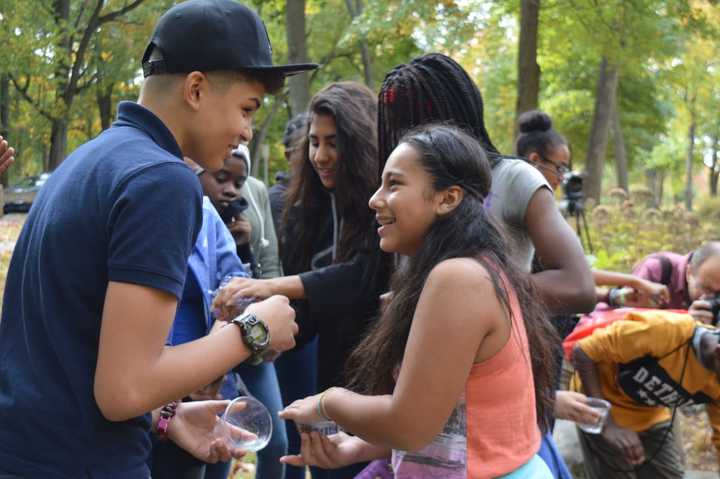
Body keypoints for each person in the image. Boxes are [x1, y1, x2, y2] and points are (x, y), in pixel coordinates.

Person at [0, 1, 316, 476]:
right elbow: (123, 389)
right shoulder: (162, 181)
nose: (246, 132)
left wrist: (166, 416)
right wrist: (252, 331)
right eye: (246, 109)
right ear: (195, 88)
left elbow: (73, 349)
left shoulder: (90, 161)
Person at [279, 125, 558, 478]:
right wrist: (358, 447)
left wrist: (328, 402)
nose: (374, 199)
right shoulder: (469, 269)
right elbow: (451, 414)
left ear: (447, 198)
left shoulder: (459, 278)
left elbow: (409, 423)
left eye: (394, 184)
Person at [371, 54, 594, 478]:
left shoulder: (514, 178)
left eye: (420, 120)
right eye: (397, 124)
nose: (410, 136)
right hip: (434, 408)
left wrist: (474, 297)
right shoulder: (408, 193)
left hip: (495, 394)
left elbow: (578, 283)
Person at [215, 81, 391, 479]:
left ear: (359, 142)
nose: (321, 155)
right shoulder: (305, 205)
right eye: (314, 142)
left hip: (379, 383)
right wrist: (264, 334)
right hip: (329, 382)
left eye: (333, 142)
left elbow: (361, 277)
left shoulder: (381, 203)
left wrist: (273, 287)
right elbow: (308, 312)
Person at [194, 147, 288, 479]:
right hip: (198, 362)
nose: (231, 189)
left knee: (270, 441)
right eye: (222, 178)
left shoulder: (235, 221)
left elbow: (249, 284)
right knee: (210, 443)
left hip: (245, 345)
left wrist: (245, 245)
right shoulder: (190, 216)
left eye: (239, 181)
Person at [569, 310, 720, 478]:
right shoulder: (666, 330)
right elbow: (583, 352)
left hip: (647, 413)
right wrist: (606, 422)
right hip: (601, 402)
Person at [269, 113, 310, 238]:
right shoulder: (277, 199)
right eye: (305, 148)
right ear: (288, 156)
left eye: (315, 144)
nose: (315, 154)